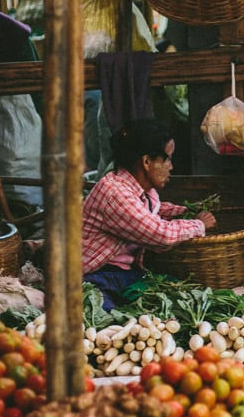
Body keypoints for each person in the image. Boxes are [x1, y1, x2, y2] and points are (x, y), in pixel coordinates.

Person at [81, 118, 216, 310]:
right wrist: (198, 224)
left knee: (177, 300)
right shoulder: (113, 192)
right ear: (146, 161)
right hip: (96, 276)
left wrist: (186, 211)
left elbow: (153, 210)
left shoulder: (143, 190)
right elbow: (160, 234)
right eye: (167, 159)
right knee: (109, 318)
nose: (171, 167)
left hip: (125, 273)